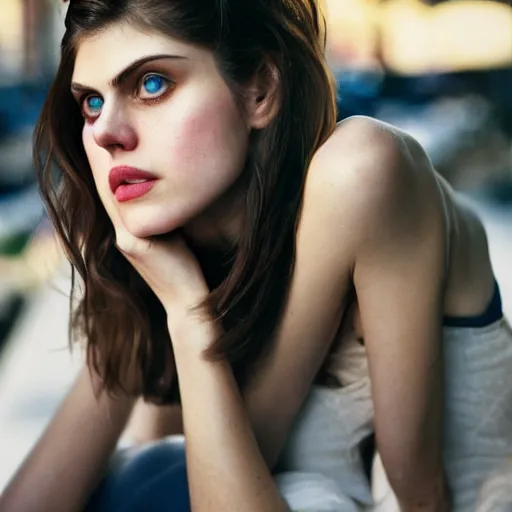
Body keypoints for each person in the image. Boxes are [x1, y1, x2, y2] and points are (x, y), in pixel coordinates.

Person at [1, 0, 511, 511]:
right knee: (135, 478)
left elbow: (421, 493)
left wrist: (187, 312)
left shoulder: (360, 168)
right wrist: (160, 300)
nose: (106, 132)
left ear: (260, 90)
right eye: (91, 102)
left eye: (151, 83)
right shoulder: (172, 252)